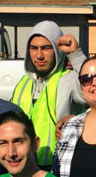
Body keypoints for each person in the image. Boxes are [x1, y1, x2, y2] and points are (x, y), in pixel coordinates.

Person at [10, 21, 86, 168]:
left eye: (46, 48)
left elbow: (91, 92)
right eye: (34, 48)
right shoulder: (23, 84)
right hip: (24, 166)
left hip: (57, 167)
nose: (39, 55)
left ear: (57, 50)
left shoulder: (69, 79)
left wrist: (76, 55)